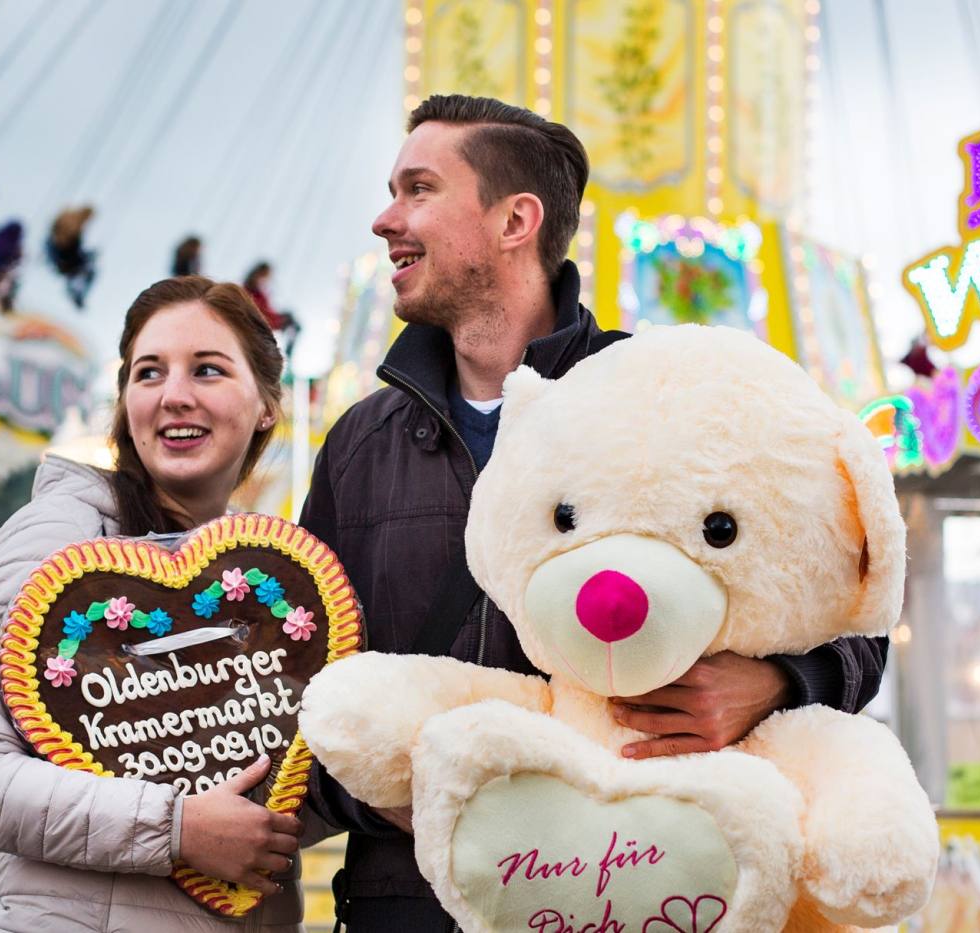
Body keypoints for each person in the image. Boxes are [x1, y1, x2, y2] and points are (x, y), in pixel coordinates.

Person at [297, 94, 890, 929]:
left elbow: (856, 617)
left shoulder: (669, 398)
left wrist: (772, 683)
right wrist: (403, 798)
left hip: (634, 892)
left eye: (419, 189)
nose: (385, 218)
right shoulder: (362, 445)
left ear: (515, 220)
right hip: (410, 903)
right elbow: (299, 677)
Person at [0, 276, 310, 931]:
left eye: (208, 370)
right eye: (149, 372)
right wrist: (176, 828)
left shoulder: (270, 582)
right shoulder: (58, 535)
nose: (174, 395)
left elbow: (276, 783)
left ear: (267, 403)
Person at [47, 204, 98, 309]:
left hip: (56, 252)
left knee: (88, 267)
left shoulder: (68, 215)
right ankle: (76, 292)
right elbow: (70, 249)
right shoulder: (75, 228)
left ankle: (75, 289)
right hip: (63, 260)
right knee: (91, 272)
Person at [243, 261, 296, 350]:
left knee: (293, 323)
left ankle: (289, 350)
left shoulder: (260, 292)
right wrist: (279, 319)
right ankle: (288, 352)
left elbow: (267, 309)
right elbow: (261, 311)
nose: (266, 280)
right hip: (260, 321)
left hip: (267, 319)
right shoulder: (250, 292)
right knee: (292, 322)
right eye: (266, 276)